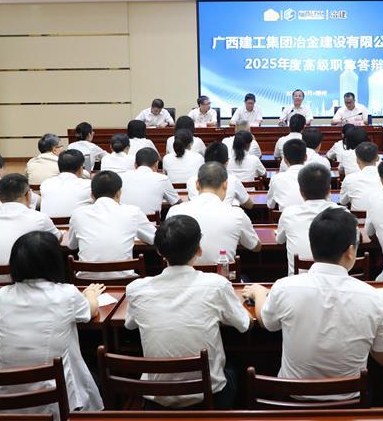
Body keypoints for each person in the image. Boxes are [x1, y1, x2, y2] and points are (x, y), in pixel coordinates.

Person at [243, 207, 383, 396]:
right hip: (350, 404)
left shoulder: (285, 287)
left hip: (293, 399)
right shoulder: (373, 298)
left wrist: (259, 293)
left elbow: (267, 322)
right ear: (350, 251)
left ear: (312, 246)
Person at [125, 215, 251, 408]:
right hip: (209, 398)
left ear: (159, 251)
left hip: (157, 400)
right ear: (199, 249)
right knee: (237, 365)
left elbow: (129, 324)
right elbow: (244, 325)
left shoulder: (136, 289)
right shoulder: (216, 285)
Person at [0, 231, 104, 415]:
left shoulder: (2, 295)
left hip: (8, 396)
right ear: (55, 262)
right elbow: (90, 311)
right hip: (55, 399)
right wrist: (90, 295)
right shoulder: (66, 294)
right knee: (95, 374)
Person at [166, 163, 260, 265]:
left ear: (197, 184)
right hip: (222, 274)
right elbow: (255, 246)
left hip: (182, 275)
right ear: (225, 185)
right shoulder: (237, 214)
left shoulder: (174, 211)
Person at [68, 171, 156, 279]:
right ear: (119, 193)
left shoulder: (77, 214)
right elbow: (154, 238)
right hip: (125, 282)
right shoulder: (133, 212)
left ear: (91, 195)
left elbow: (71, 246)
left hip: (86, 283)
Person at [0, 173, 59, 283]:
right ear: (28, 195)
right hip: (24, 283)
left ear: (0, 199)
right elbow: (57, 238)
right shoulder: (39, 218)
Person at [278, 163, 343, 274]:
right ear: (329, 190)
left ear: (301, 192)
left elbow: (280, 240)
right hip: (335, 280)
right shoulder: (343, 213)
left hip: (297, 282)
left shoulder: (288, 213)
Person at [186, 143, 252, 209]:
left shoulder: (191, 181)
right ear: (227, 162)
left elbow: (190, 200)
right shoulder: (233, 180)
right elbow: (249, 205)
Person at [120, 147, 181, 214]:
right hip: (151, 221)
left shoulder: (122, 177)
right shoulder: (162, 179)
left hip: (124, 219)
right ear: (156, 164)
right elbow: (177, 203)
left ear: (135, 164)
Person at [39, 149, 93, 218]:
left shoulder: (46, 184)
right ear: (80, 168)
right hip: (79, 224)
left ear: (59, 167)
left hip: (49, 224)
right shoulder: (88, 185)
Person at [339, 142, 383, 213]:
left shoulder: (350, 179)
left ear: (357, 160)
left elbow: (342, 201)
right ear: (377, 158)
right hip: (382, 218)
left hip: (357, 219)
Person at [266, 139, 307, 210]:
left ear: (284, 160)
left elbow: (270, 205)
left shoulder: (276, 178)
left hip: (285, 216)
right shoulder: (316, 178)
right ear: (306, 157)